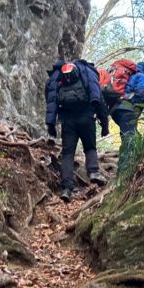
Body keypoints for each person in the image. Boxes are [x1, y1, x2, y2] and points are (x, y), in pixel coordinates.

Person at [45, 59, 109, 201]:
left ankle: (66, 188)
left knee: (68, 154)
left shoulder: (58, 79)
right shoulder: (87, 74)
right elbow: (99, 99)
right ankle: (93, 172)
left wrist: (51, 124)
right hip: (87, 118)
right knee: (90, 147)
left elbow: (51, 102)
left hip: (68, 121)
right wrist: (104, 124)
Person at [108, 61, 144, 174]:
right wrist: (137, 110)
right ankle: (124, 170)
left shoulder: (129, 76)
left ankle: (135, 161)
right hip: (127, 110)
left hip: (116, 111)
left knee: (132, 135)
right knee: (129, 138)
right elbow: (142, 93)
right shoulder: (142, 76)